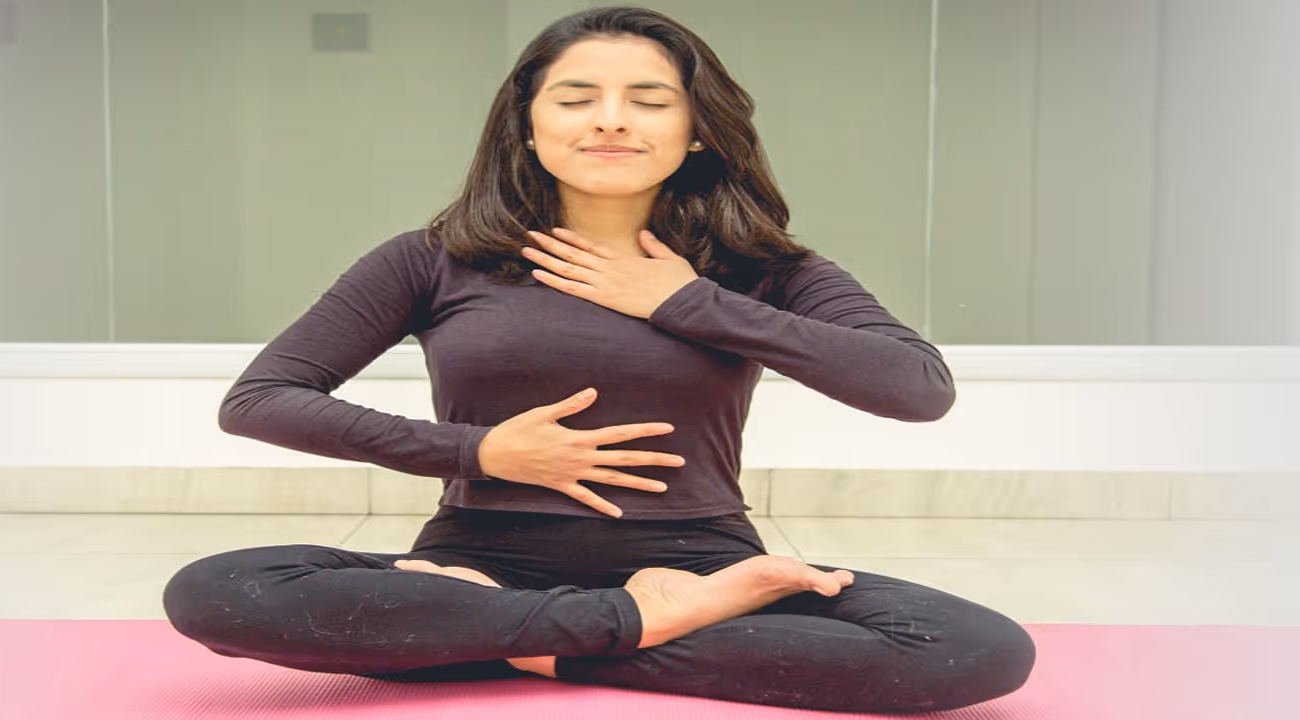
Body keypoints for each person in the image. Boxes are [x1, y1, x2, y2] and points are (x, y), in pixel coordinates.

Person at [163, 6, 1035, 713]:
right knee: (216, 591)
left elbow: (917, 390)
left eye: (650, 99)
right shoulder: (428, 258)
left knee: (978, 651)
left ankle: (512, 643)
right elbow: (263, 398)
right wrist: (479, 453)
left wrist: (685, 301)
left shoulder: (764, 271)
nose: (612, 119)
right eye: (577, 96)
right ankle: (617, 627)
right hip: (479, 560)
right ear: (528, 123)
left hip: (701, 565)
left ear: (697, 129)